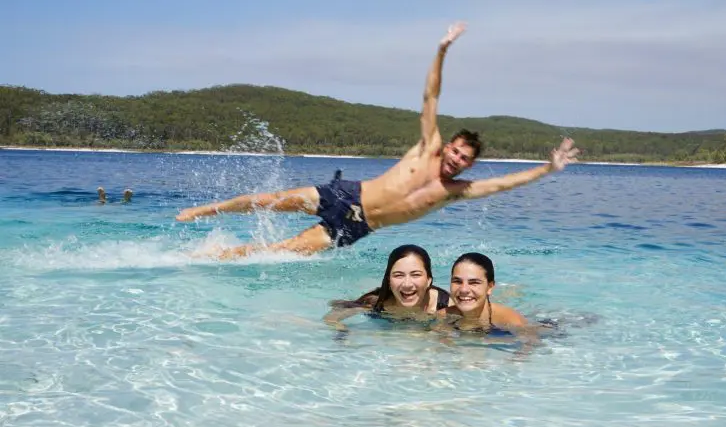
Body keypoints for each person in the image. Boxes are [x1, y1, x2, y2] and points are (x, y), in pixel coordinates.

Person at [175, 21, 580, 259]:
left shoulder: (456, 190)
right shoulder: (427, 147)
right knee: (267, 201)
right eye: (455, 150)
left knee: (283, 249)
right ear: (448, 146)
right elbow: (431, 97)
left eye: (463, 158)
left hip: (358, 226)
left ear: (469, 164)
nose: (455, 158)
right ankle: (204, 211)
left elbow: (506, 183)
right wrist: (441, 51)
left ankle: (213, 257)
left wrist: (549, 168)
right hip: (344, 195)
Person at [323, 244, 453, 331]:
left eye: (416, 275)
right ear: (389, 281)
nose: (407, 284)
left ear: (428, 280)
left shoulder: (446, 305)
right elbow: (330, 319)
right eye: (398, 275)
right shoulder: (376, 304)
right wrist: (342, 333)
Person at [435, 252, 547, 343]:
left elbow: (532, 342)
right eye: (457, 281)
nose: (464, 290)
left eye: (474, 282)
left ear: (490, 287)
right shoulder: (443, 317)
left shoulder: (506, 318)